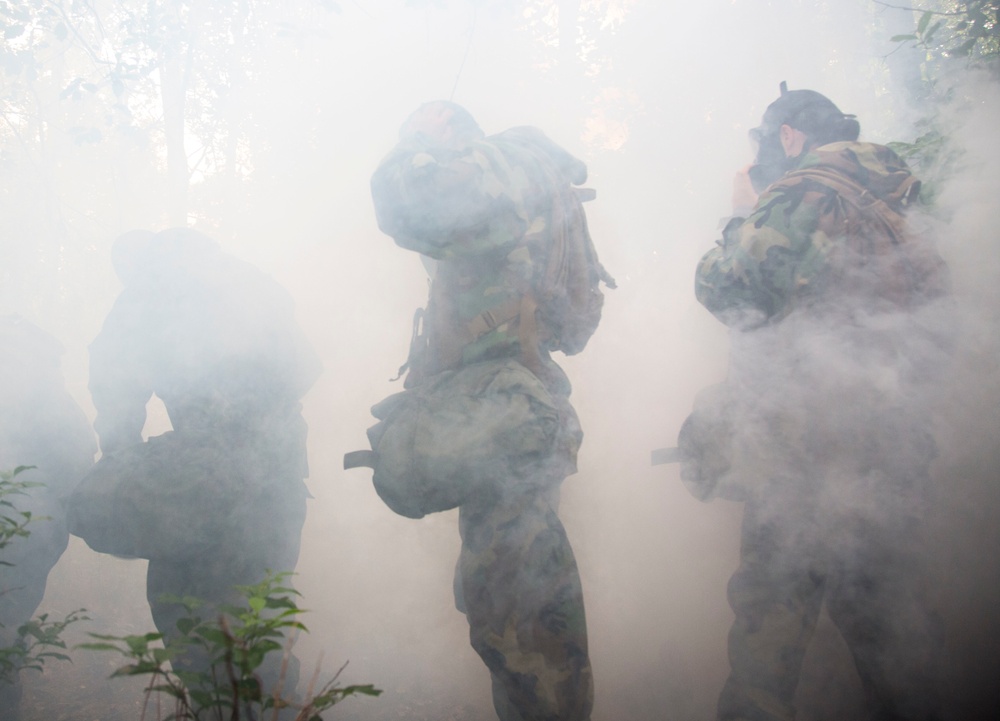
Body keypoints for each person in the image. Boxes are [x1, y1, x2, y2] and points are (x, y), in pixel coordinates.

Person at [685, 84, 951, 721]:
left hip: (802, 454)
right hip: (888, 444)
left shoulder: (804, 192)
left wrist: (741, 215)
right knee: (887, 628)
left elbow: (728, 291)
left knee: (768, 632)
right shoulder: (896, 198)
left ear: (787, 136)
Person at [366, 101, 613, 721]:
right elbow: (575, 321)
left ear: (451, 128)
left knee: (520, 616)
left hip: (502, 408)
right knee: (515, 605)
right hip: (512, 402)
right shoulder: (530, 174)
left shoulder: (496, 165)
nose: (421, 145)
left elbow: (406, 202)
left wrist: (411, 141)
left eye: (428, 130)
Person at [81, 228, 321, 697]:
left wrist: (124, 465)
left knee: (189, 621)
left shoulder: (149, 292)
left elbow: (114, 383)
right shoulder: (252, 282)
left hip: (198, 488)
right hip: (279, 479)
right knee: (262, 625)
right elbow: (305, 370)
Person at [0, 316, 96, 721]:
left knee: (5, 628)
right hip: (32, 532)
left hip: (27, 535)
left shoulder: (48, 403)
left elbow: (74, 465)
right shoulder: (47, 398)